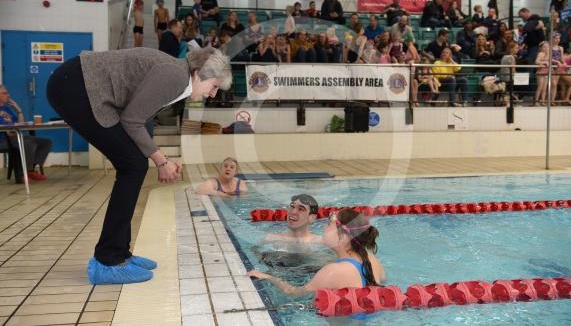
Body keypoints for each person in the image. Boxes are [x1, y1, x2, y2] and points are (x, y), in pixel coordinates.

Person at [46, 46, 232, 285]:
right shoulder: (175, 76)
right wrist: (161, 160)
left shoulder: (178, 76)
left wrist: (158, 156)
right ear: (198, 73)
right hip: (75, 86)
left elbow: (136, 118)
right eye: (214, 86)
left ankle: (120, 254)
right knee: (133, 165)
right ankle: (108, 260)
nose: (213, 94)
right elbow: (132, 121)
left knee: (134, 163)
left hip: (77, 83)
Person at [248, 208, 386, 297]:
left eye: (329, 224)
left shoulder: (333, 271)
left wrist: (267, 277)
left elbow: (294, 293)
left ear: (342, 237)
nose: (323, 227)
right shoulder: (372, 259)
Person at [0, 85, 52, 183]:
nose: (8, 95)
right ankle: (24, 173)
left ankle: (31, 170)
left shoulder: (7, 108)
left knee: (45, 142)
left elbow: (20, 125)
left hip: (15, 136)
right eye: (5, 93)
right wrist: (10, 131)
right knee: (29, 143)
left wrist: (18, 110)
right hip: (3, 140)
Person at [535, 41, 551, 105]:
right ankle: (536, 101)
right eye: (544, 47)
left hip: (546, 72)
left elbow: (551, 60)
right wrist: (543, 63)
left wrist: (557, 62)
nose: (546, 48)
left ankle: (543, 101)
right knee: (540, 87)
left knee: (545, 88)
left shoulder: (549, 54)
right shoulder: (541, 53)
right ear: (541, 48)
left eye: (547, 47)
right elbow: (536, 61)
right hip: (540, 72)